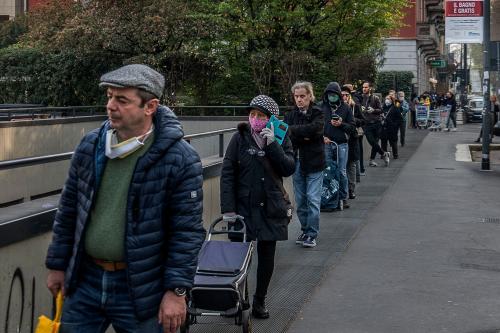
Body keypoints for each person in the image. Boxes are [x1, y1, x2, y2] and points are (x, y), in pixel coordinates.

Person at [44, 64, 206, 333]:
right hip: (86, 281)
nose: (110, 105)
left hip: (141, 288)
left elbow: (186, 231)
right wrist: (57, 265)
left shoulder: (179, 158)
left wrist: (176, 291)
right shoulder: (91, 146)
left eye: (122, 100)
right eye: (109, 96)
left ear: (150, 106)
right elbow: (70, 209)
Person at [220, 95, 295, 319]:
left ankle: (260, 301)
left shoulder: (281, 137)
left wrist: (273, 145)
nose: (255, 119)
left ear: (271, 119)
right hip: (243, 206)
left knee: (266, 255)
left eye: (261, 115)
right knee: (237, 256)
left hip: (271, 206)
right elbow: (227, 173)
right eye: (252, 114)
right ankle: (236, 299)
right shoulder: (239, 138)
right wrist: (228, 208)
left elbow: (288, 167)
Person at [284, 81, 325, 248]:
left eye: (302, 96)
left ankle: (311, 233)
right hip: (297, 162)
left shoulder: (318, 112)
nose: (299, 99)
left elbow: (316, 130)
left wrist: (294, 131)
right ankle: (305, 229)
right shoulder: (291, 114)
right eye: (296, 96)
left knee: (313, 199)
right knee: (300, 200)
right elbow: (286, 133)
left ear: (309, 96)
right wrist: (303, 133)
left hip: (315, 162)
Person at [321, 82, 355, 210]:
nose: (331, 97)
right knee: (328, 171)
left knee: (341, 171)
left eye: (334, 94)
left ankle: (343, 196)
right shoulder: (322, 107)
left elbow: (352, 127)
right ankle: (329, 197)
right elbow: (317, 125)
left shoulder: (345, 108)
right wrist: (322, 137)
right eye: (329, 94)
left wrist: (341, 124)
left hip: (341, 144)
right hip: (326, 143)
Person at [360, 81, 390, 167]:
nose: (364, 89)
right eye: (363, 87)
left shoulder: (375, 98)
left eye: (366, 87)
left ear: (369, 88)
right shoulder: (361, 98)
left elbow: (381, 110)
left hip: (376, 123)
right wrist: (360, 109)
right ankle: (384, 154)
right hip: (366, 124)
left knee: (375, 142)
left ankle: (372, 160)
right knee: (372, 142)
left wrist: (373, 110)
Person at [342, 85, 363, 199]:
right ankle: (343, 190)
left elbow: (363, 120)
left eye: (346, 95)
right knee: (342, 166)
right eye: (342, 95)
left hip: (352, 139)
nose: (344, 97)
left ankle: (351, 189)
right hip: (340, 139)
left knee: (351, 165)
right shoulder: (337, 107)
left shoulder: (355, 106)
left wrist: (353, 120)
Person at [380, 94, 403, 160]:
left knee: (393, 142)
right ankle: (383, 154)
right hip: (384, 127)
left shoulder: (395, 108)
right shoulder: (383, 108)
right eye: (386, 99)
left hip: (392, 128)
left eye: (388, 99)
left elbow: (400, 119)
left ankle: (395, 154)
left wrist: (395, 125)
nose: (387, 100)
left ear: (391, 100)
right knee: (383, 142)